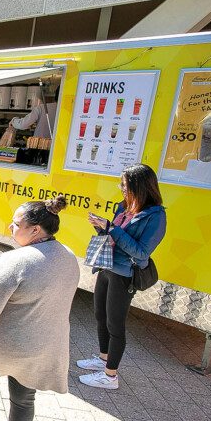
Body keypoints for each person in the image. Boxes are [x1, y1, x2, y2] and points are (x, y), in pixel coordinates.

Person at [0, 196, 79, 421]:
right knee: (24, 399)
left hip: (5, 346)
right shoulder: (69, 257)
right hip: (45, 347)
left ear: (35, 230)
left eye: (16, 224)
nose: (10, 227)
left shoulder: (15, 261)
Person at [79, 163, 166, 390]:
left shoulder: (155, 217)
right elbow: (114, 235)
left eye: (126, 186)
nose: (122, 189)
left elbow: (141, 252)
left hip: (124, 273)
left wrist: (112, 228)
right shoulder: (125, 207)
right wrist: (102, 228)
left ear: (141, 186)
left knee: (115, 324)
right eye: (122, 185)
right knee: (100, 315)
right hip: (107, 266)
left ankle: (110, 376)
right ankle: (102, 358)